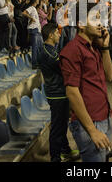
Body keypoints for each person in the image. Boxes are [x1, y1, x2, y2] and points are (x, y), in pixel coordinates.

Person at [59, 5, 112, 162]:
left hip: (104, 116)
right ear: (81, 24)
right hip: (89, 123)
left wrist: (105, 48)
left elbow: (109, 76)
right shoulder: (72, 51)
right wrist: (92, 131)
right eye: (95, 18)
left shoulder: (94, 48)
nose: (100, 23)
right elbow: (72, 92)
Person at [39, 23, 79, 162]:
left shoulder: (51, 49)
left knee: (62, 125)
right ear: (50, 35)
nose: (59, 35)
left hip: (60, 92)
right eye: (57, 32)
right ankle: (55, 157)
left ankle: (65, 150)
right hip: (56, 94)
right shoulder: (47, 51)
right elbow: (63, 67)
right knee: (57, 127)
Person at [23, 0, 42, 69]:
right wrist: (31, 18)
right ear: (35, 0)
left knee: (39, 47)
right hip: (33, 29)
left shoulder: (34, 8)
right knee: (35, 47)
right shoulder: (31, 8)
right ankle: (34, 64)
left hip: (37, 29)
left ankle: (38, 62)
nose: (38, 0)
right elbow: (24, 13)